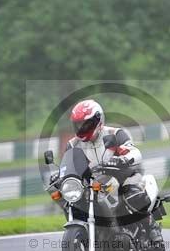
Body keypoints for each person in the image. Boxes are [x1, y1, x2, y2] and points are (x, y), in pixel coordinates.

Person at [67, 99, 162, 242]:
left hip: (123, 174)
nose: (82, 127)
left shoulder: (114, 133)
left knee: (133, 194)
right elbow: (68, 163)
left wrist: (122, 159)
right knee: (72, 200)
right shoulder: (73, 144)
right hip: (93, 182)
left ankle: (150, 226)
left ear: (97, 120)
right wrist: (59, 175)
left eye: (85, 123)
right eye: (78, 124)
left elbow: (134, 151)